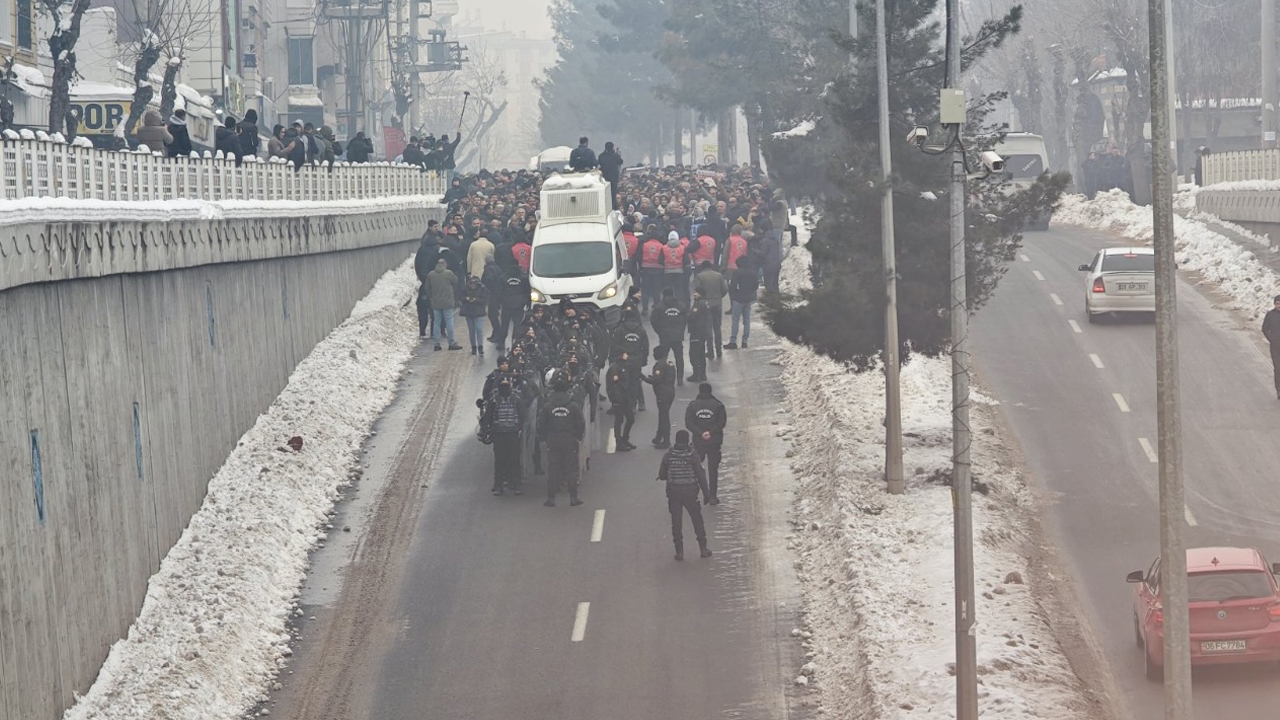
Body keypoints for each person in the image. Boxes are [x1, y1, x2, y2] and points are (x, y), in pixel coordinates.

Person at [657, 430, 712, 561]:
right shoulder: (692, 455)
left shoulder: (668, 455)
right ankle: (703, 549)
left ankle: (679, 552)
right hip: (690, 493)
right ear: (687, 440)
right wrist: (706, 494)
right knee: (697, 519)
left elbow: (662, 475)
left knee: (676, 522)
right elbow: (701, 476)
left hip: (674, 493)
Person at [538, 373, 586, 507]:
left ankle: (551, 498)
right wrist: (578, 436)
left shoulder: (548, 406)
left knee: (553, 468)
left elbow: (541, 423)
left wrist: (543, 437)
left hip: (553, 440)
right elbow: (580, 422)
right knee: (571, 468)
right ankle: (573, 498)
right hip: (569, 439)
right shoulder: (573, 406)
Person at [685, 382, 727, 504]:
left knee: (696, 469)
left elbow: (689, 423)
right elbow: (721, 422)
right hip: (714, 442)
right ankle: (713, 496)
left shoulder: (693, 406)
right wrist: (710, 432)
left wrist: (700, 433)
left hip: (699, 442)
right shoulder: (718, 405)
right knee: (713, 469)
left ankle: (694, 494)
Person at [485, 379, 526, 495]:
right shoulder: (494, 401)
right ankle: (499, 485)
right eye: (502, 385)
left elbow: (523, 415)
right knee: (499, 461)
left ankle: (516, 484)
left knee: (514, 460)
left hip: (513, 434)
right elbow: (488, 416)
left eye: (506, 385)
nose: (505, 388)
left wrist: (519, 428)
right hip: (499, 434)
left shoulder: (516, 400)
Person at [612, 306, 650, 412]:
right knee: (636, 381)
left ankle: (630, 404)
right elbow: (645, 346)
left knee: (625, 383)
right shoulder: (641, 330)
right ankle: (639, 403)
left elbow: (615, 346)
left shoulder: (619, 330)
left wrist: (619, 356)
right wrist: (644, 360)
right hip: (637, 359)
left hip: (624, 360)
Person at [651, 287, 688, 383]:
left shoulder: (659, 306)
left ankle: (663, 376)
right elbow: (685, 320)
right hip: (677, 336)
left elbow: (653, 321)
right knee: (679, 357)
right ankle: (680, 378)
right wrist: (680, 330)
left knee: (663, 358)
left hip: (664, 336)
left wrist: (659, 332)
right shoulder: (681, 305)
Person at [426, 258, 463, 351]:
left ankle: (437, 344)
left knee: (436, 322)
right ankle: (451, 343)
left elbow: (427, 288)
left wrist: (432, 296)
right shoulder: (448, 273)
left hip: (436, 302)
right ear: (445, 264)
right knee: (449, 322)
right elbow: (456, 281)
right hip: (448, 302)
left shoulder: (431, 274)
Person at [643, 348, 677, 448]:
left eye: (654, 353)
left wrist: (643, 377)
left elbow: (655, 380)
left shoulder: (659, 365)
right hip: (670, 390)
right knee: (663, 415)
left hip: (663, 393)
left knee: (664, 416)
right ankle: (658, 436)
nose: (653, 355)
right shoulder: (670, 362)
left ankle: (666, 441)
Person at [694, 260, 728, 357]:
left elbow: (697, 290)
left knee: (708, 328)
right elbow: (725, 289)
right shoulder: (718, 275)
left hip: (706, 305)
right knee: (717, 328)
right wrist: (719, 297)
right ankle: (718, 349)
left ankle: (710, 350)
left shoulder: (699, 276)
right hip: (717, 304)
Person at [725, 257, 758, 349]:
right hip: (748, 299)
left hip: (738, 298)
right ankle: (745, 341)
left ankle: (733, 341)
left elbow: (733, 286)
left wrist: (732, 290)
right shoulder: (752, 272)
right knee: (746, 320)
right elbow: (756, 285)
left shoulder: (737, 272)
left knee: (735, 320)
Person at [605, 359, 637, 451]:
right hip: (618, 398)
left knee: (630, 419)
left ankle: (625, 439)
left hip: (626, 397)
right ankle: (619, 443)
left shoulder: (624, 365)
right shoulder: (614, 368)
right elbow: (612, 385)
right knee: (619, 420)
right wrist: (614, 398)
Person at [686, 288, 712, 383]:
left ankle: (696, 374)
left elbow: (691, 316)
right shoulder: (705, 303)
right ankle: (703, 374)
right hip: (703, 332)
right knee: (701, 353)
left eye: (696, 293)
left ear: (701, 294)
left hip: (697, 332)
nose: (694, 294)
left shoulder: (699, 304)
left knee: (694, 354)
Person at [460, 275, 490, 356]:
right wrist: (466, 299)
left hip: (479, 311)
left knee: (479, 329)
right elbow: (460, 297)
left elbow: (485, 300)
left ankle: (480, 346)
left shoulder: (483, 289)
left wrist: (476, 300)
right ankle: (473, 346)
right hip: (468, 311)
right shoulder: (465, 289)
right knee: (472, 330)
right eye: (471, 284)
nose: (472, 285)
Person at [639, 229, 666, 316]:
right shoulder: (661, 246)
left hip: (646, 268)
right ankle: (657, 308)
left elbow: (639, 256)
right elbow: (663, 258)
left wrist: (641, 266)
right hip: (658, 269)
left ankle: (645, 309)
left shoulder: (644, 245)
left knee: (645, 289)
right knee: (656, 289)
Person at [598, 141, 624, 207]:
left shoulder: (601, 156)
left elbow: (599, 163)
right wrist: (617, 154)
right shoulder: (615, 155)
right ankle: (613, 206)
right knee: (613, 193)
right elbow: (620, 161)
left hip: (604, 178)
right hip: (613, 178)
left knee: (605, 193)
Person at [1265, 294, 1280, 399]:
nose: (1279, 305)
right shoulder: (1270, 315)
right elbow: (1264, 329)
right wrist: (1272, 339)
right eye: (1277, 303)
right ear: (1274, 304)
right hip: (1275, 347)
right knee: (1278, 369)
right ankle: (1279, 390)